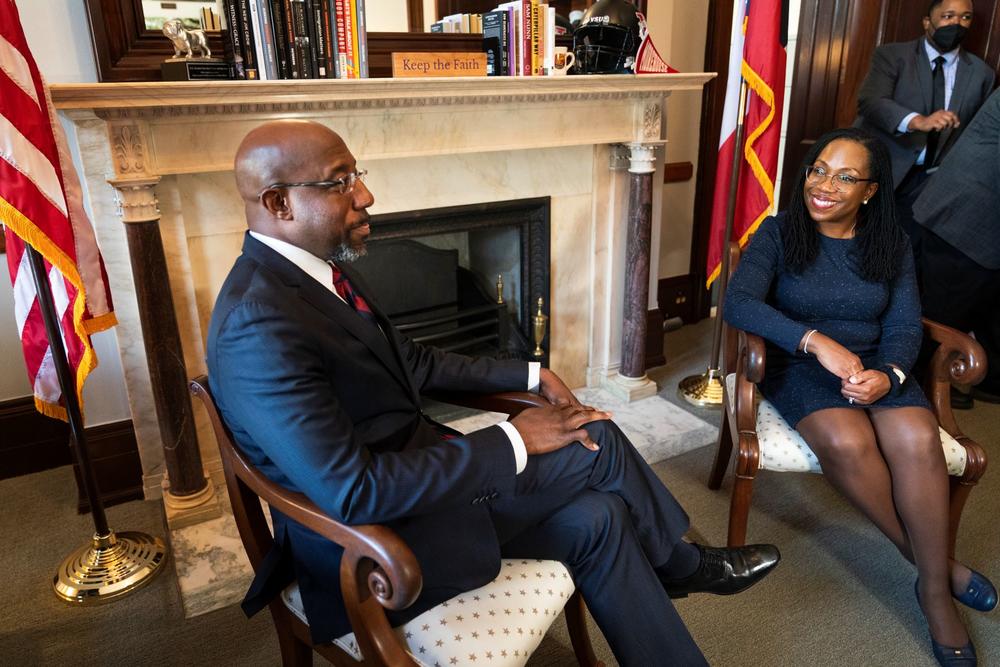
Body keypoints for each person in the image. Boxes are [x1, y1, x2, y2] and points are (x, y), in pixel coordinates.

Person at [206, 119, 781, 666]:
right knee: (595, 438)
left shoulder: (321, 265)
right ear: (279, 203)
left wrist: (528, 375)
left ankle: (677, 585)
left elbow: (410, 362)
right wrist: (513, 441)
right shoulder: (257, 324)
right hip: (372, 549)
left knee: (600, 514)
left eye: (357, 174)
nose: (367, 195)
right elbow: (354, 492)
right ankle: (681, 564)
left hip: (428, 495)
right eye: (340, 182)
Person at [724, 128, 996, 667]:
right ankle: (939, 584)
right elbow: (739, 303)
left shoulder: (890, 243)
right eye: (819, 169)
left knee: (918, 437)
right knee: (848, 443)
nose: (824, 185)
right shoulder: (778, 234)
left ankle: (931, 580)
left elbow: (902, 327)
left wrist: (890, 375)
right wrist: (815, 341)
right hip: (801, 366)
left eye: (846, 177)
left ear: (870, 191)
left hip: (876, 364)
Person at [854, 0, 993, 243]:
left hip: (932, 183)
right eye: (948, 16)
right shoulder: (892, 55)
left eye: (965, 17)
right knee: (862, 241)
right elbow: (871, 101)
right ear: (927, 22)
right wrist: (918, 121)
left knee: (908, 251)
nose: (957, 24)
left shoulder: (982, 74)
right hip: (884, 169)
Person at [912, 87, 1000, 405]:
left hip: (968, 214)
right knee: (942, 312)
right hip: (968, 219)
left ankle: (984, 379)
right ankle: (925, 388)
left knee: (982, 307)